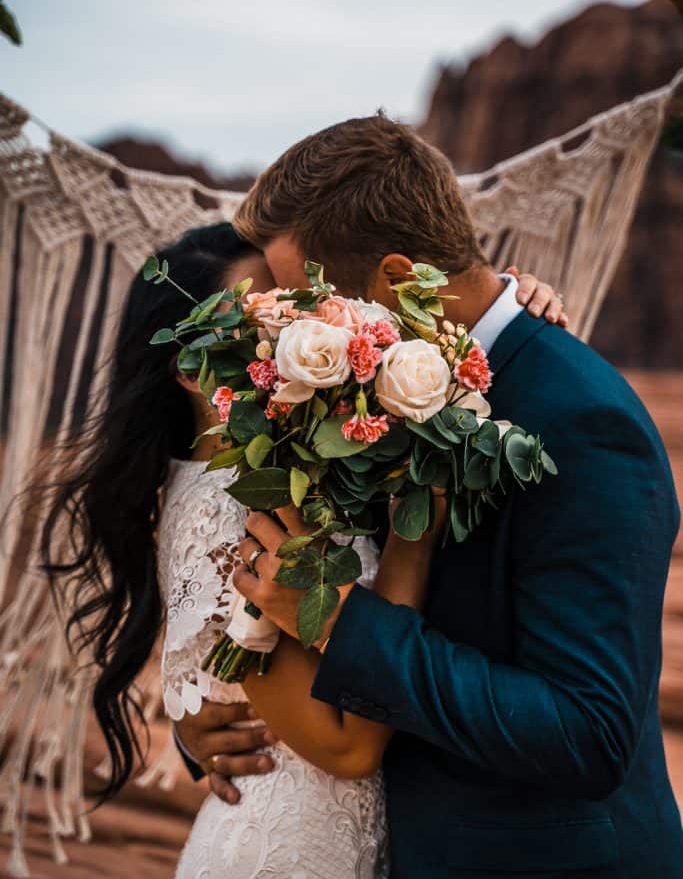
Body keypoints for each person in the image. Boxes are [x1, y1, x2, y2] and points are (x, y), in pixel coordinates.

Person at [179, 114, 682, 879]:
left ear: (389, 281)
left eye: (297, 297)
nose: (286, 331)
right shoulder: (363, 394)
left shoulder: (577, 420)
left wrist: (346, 625)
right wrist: (205, 725)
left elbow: (588, 734)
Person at [41, 219, 561, 877]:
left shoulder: (293, 463)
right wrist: (414, 538)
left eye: (288, 308)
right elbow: (345, 748)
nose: (288, 336)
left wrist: (512, 301)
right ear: (190, 370)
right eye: (258, 322)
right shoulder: (233, 505)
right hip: (285, 853)